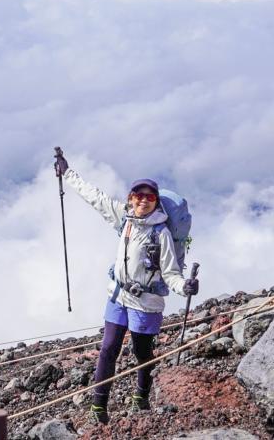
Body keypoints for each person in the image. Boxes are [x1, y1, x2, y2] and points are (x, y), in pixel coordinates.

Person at [54, 151, 198, 425]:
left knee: (142, 354)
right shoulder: (125, 218)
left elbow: (170, 273)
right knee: (108, 349)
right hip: (118, 296)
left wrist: (184, 286)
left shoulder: (162, 233)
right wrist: (67, 173)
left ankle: (141, 397)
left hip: (145, 303)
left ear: (156, 203)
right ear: (131, 198)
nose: (143, 200)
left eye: (149, 197)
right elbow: (95, 197)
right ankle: (98, 408)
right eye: (138, 195)